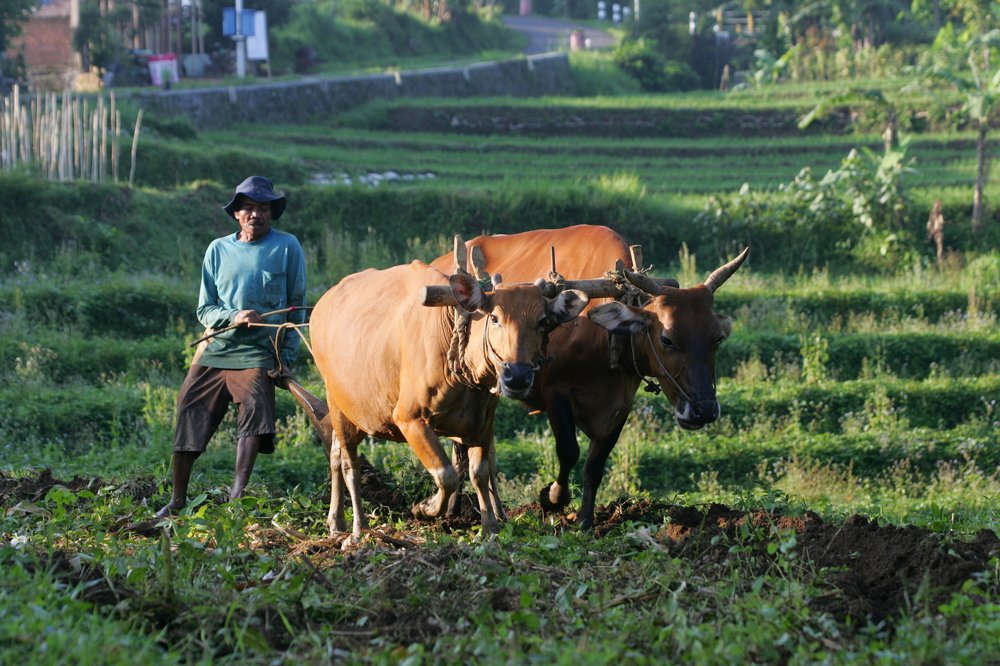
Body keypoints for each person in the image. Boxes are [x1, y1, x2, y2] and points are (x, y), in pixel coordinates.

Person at [156, 176, 307, 518]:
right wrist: (233, 315)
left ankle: (236, 497)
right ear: (237, 214)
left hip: (258, 351)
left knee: (254, 410)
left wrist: (285, 358)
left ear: (272, 213)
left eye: (263, 208)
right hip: (218, 347)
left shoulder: (287, 247)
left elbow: (296, 307)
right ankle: (178, 500)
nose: (256, 215)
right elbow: (204, 309)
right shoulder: (218, 249)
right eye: (249, 208)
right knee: (189, 408)